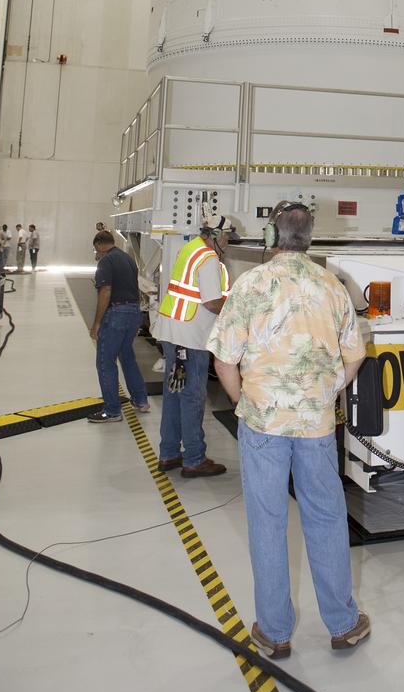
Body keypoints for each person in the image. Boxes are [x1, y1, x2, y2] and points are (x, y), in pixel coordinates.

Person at [208, 201, 369, 658]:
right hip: (316, 426)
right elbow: (354, 354)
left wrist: (244, 402)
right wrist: (326, 389)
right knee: (327, 518)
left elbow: (223, 358)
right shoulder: (330, 284)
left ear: (270, 235)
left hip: (263, 424)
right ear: (310, 237)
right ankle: (343, 623)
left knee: (267, 521)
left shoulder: (251, 284)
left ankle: (274, 633)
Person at [151, 219, 231, 478]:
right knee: (192, 397)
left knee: (174, 394)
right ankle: (195, 458)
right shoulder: (208, 258)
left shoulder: (190, 249)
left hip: (173, 333)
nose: (228, 242)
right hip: (190, 338)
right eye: (227, 237)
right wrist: (237, 313)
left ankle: (169, 453)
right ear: (216, 236)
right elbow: (211, 302)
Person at [87, 230, 150, 423]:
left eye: (95, 249)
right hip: (133, 313)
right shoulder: (127, 259)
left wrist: (97, 323)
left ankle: (112, 410)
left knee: (105, 362)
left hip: (116, 314)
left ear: (98, 244)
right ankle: (141, 400)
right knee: (127, 357)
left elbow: (105, 291)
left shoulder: (106, 261)